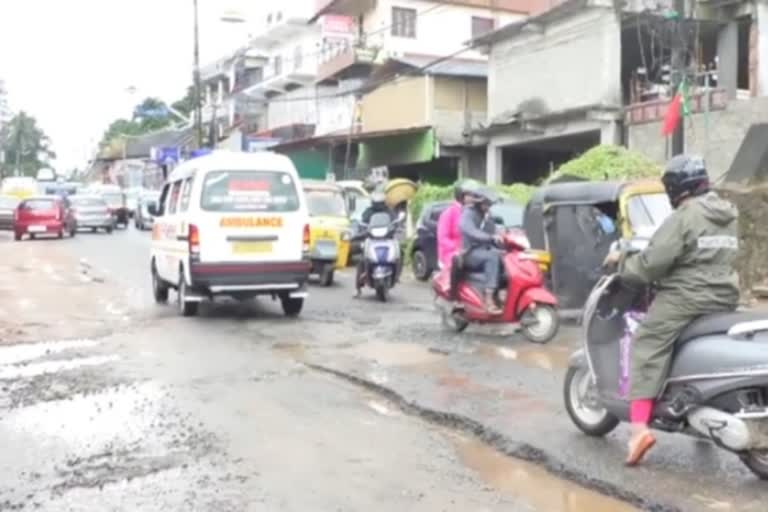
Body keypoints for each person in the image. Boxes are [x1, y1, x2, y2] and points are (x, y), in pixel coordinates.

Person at [603, 154, 740, 466]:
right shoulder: (728, 213)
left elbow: (652, 263)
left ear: (676, 188)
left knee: (648, 342)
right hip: (725, 294)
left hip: (687, 297)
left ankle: (638, 431)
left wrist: (623, 267)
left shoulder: (684, 215)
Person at [459, 187, 505, 314]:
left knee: (506, 258)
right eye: (486, 203)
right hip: (469, 253)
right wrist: (490, 237)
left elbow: (494, 230)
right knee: (492, 257)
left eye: (489, 204)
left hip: (484, 250)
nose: (488, 206)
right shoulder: (468, 213)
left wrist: (503, 235)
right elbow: (469, 230)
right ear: (479, 202)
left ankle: (500, 294)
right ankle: (488, 298)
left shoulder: (486, 215)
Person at [356, 189, 397, 294]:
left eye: (380, 203)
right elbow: (362, 221)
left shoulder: (388, 211)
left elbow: (394, 220)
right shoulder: (368, 212)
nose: (378, 205)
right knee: (361, 258)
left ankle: (396, 274)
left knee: (399, 251)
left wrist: (395, 225)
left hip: (386, 237)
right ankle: (358, 286)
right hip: (371, 238)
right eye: (376, 203)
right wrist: (363, 227)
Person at [437, 179, 480, 269]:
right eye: (469, 195)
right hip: (451, 254)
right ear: (461, 196)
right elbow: (443, 239)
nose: (473, 198)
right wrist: (458, 247)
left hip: (470, 252)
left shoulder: (474, 213)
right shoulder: (449, 213)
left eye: (474, 195)